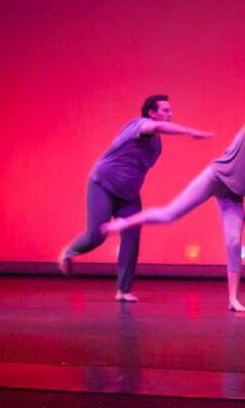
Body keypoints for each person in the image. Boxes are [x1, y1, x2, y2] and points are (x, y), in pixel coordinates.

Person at [102, 99, 245, 312]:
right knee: (169, 214)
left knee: (235, 240)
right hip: (215, 178)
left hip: (233, 192)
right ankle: (123, 224)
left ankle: (232, 298)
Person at [58, 95, 214, 302]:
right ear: (152, 113)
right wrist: (189, 131)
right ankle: (69, 251)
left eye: (170, 111)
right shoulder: (138, 125)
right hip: (102, 184)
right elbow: (154, 128)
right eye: (165, 111)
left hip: (129, 194)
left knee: (132, 238)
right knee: (97, 236)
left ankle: (123, 290)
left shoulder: (157, 145)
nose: (170, 114)